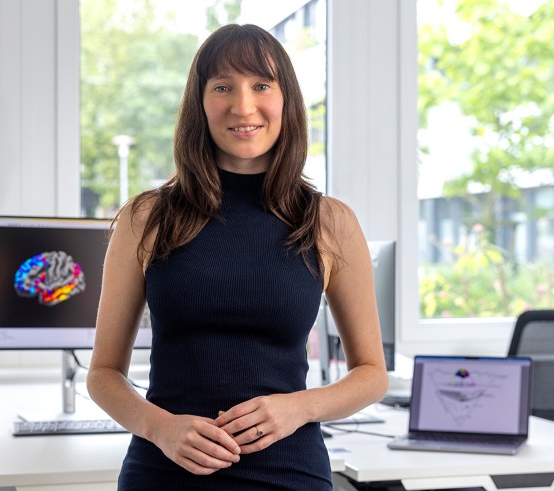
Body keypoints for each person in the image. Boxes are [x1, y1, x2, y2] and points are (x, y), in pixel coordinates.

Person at [87, 23, 388, 490]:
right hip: (164, 473)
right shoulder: (146, 217)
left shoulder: (330, 222)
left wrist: (301, 405)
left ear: (285, 99)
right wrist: (160, 427)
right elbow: (104, 374)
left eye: (261, 85)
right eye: (223, 86)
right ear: (200, 103)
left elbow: (371, 374)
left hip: (290, 474)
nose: (243, 106)